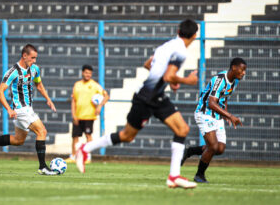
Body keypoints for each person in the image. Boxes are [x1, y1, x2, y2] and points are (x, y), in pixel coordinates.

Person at [75, 19, 199, 189]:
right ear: (194, 36)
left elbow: (148, 64)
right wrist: (187, 80)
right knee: (127, 135)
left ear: (178, 31)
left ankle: (173, 176)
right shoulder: (181, 51)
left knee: (181, 129)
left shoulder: (166, 46)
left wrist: (169, 80)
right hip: (147, 97)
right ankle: (85, 148)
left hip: (154, 95)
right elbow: (169, 76)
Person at [0, 44, 58, 175]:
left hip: (28, 108)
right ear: (24, 56)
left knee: (18, 140)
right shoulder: (13, 72)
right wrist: (9, 109)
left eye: (36, 58)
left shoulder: (34, 69)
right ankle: (42, 167)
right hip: (20, 109)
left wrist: (48, 99)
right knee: (42, 131)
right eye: (32, 58)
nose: (34, 61)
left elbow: (39, 84)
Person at [181, 57, 247, 183]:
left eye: (245, 70)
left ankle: (189, 151)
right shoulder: (220, 80)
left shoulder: (235, 81)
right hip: (204, 113)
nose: (244, 73)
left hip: (217, 116)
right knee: (212, 146)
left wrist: (225, 114)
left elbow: (225, 97)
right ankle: (199, 175)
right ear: (234, 67)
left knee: (220, 149)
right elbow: (211, 103)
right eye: (242, 69)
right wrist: (229, 116)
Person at [65, 64, 109, 164]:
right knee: (75, 136)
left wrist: (99, 106)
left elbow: (106, 96)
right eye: (86, 72)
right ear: (82, 73)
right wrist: (73, 115)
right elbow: (74, 101)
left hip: (89, 116)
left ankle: (87, 157)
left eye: (90, 73)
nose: (88, 74)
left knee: (88, 135)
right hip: (78, 115)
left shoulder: (95, 85)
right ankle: (73, 156)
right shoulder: (77, 85)